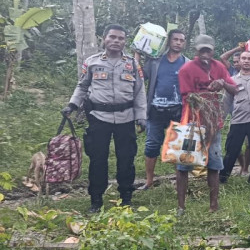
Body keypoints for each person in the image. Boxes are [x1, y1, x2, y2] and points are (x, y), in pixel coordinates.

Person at [61, 24, 147, 213]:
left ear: (125, 41)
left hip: (126, 119)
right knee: (98, 160)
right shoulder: (91, 62)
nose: (116, 41)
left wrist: (141, 116)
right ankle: (96, 200)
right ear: (104, 38)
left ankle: (126, 198)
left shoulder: (132, 63)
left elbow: (140, 91)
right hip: (99, 118)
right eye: (112, 37)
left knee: (126, 160)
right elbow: (82, 86)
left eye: (121, 38)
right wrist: (72, 105)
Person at [176, 35, 238, 215]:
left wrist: (223, 83)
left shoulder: (219, 67)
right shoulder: (186, 69)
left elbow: (235, 89)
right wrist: (203, 97)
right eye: (201, 50)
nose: (205, 53)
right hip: (190, 124)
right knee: (183, 165)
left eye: (208, 50)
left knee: (214, 163)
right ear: (195, 50)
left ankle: (214, 205)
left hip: (213, 124)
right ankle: (181, 207)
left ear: (213, 50)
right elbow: (187, 97)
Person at [137, 29, 190, 191]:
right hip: (156, 110)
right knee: (152, 146)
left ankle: (180, 184)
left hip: (179, 111)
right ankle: (149, 181)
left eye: (182, 40)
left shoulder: (187, 63)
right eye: (175, 39)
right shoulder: (155, 61)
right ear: (169, 41)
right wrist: (137, 55)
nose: (178, 42)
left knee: (178, 148)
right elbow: (139, 75)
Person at [220, 51, 250, 186]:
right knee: (232, 150)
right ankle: (222, 179)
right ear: (239, 61)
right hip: (238, 120)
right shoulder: (232, 80)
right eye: (244, 58)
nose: (246, 61)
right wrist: (220, 119)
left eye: (249, 59)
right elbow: (226, 101)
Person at [220, 44, 250, 174]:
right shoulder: (232, 72)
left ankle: (245, 169)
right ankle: (241, 165)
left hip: (249, 115)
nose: (237, 64)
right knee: (233, 145)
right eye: (235, 62)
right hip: (235, 116)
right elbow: (223, 57)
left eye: (239, 61)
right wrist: (238, 49)